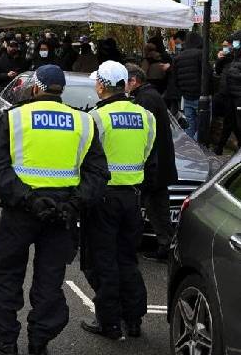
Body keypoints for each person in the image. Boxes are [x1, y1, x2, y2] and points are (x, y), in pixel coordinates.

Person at [0, 65, 109, 355]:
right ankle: (40, 342)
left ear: (35, 88)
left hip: (20, 211)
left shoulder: (12, 118)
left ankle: (5, 341)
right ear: (60, 91)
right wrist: (75, 203)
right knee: (50, 279)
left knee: (5, 275)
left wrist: (27, 199)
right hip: (62, 214)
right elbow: (98, 174)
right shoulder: (84, 122)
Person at [81, 61, 157, 340]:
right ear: (125, 85)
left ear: (101, 85)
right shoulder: (146, 116)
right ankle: (133, 320)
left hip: (104, 198)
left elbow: (86, 159)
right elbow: (148, 153)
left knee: (103, 262)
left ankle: (109, 322)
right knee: (127, 260)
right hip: (132, 198)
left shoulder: (97, 118)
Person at [125, 63, 177, 261]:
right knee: (155, 209)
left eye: (126, 81)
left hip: (155, 166)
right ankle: (165, 246)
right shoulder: (149, 95)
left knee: (156, 209)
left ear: (134, 81)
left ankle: (167, 248)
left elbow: (143, 135)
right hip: (159, 164)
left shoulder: (145, 99)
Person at [173, 32, 208, 139]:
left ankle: (189, 148)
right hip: (200, 96)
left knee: (190, 124)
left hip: (187, 96)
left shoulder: (178, 57)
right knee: (202, 125)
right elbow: (208, 73)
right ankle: (198, 147)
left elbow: (175, 78)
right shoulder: (201, 54)